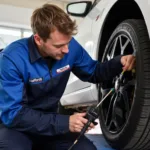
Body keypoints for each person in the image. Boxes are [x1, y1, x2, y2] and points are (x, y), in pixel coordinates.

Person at [0, 4, 135, 150]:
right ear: (38, 39)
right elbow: (13, 114)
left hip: (51, 124)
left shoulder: (70, 48)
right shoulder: (11, 58)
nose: (66, 50)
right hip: (18, 128)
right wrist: (65, 123)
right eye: (59, 46)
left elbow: (94, 72)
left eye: (68, 42)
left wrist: (119, 62)